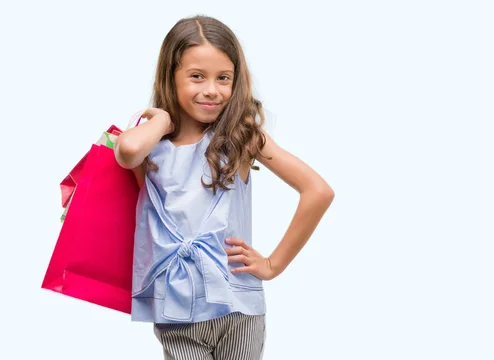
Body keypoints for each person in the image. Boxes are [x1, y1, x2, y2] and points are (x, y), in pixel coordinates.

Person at [114, 15, 334, 360]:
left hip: (239, 307)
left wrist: (273, 265)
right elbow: (126, 152)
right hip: (177, 312)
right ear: (171, 77)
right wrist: (162, 120)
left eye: (224, 78)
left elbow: (317, 191)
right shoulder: (151, 145)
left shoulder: (240, 139)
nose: (212, 90)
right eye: (196, 76)